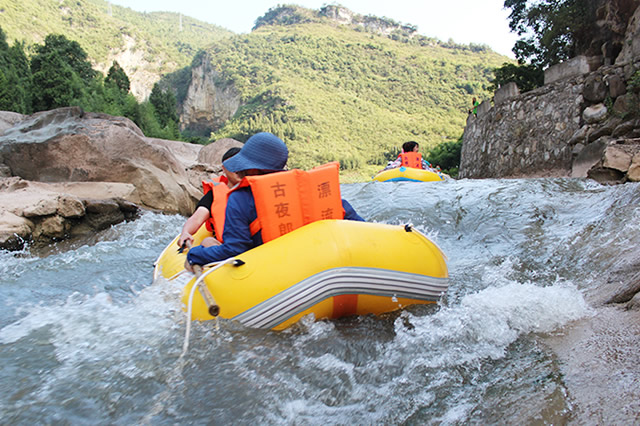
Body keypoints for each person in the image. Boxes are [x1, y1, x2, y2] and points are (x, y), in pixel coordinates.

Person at [185, 132, 364, 271]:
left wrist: (195, 254)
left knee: (206, 246)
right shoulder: (309, 188)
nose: (240, 173)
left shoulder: (239, 198)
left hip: (273, 275)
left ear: (252, 169)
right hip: (325, 263)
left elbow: (234, 251)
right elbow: (358, 226)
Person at [177, 147, 241, 250]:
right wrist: (186, 232)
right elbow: (197, 218)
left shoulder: (255, 190)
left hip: (255, 245)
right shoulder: (214, 194)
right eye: (233, 164)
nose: (238, 169)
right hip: (225, 245)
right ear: (224, 169)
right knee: (208, 242)